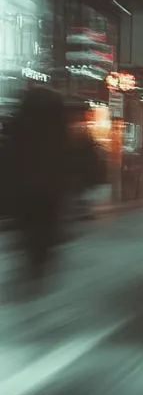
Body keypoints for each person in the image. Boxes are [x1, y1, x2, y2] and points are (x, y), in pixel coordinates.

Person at [5, 86, 70, 283]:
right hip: (47, 183)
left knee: (29, 219)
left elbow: (10, 153)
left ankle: (35, 252)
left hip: (25, 183)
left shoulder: (20, 122)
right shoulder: (57, 124)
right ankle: (40, 253)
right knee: (43, 219)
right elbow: (63, 155)